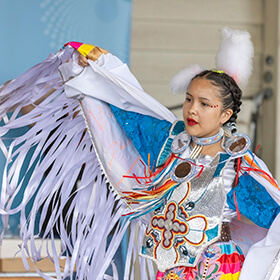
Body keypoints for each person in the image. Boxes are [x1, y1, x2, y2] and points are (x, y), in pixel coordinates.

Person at [0, 27, 280, 280]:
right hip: (170, 269)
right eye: (189, 99)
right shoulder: (170, 142)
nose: (192, 109)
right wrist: (98, 69)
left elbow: (273, 214)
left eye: (205, 104)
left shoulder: (237, 165)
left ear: (225, 114)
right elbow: (127, 107)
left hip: (218, 268)